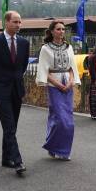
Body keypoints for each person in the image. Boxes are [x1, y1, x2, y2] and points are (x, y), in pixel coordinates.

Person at [0, 11, 30, 176]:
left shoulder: (24, 43)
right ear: (7, 22)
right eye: (15, 22)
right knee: (9, 125)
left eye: (20, 22)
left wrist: (15, 78)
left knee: (12, 125)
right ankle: (17, 161)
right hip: (1, 88)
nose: (18, 25)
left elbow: (23, 65)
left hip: (17, 87)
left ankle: (5, 158)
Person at [35, 20, 80, 160]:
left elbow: (72, 67)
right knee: (60, 119)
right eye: (58, 29)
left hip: (68, 84)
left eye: (63, 29)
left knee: (68, 120)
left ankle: (61, 150)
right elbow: (43, 70)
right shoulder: (45, 48)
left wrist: (71, 81)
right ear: (52, 31)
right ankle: (55, 146)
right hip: (54, 86)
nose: (61, 31)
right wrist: (58, 84)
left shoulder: (69, 47)